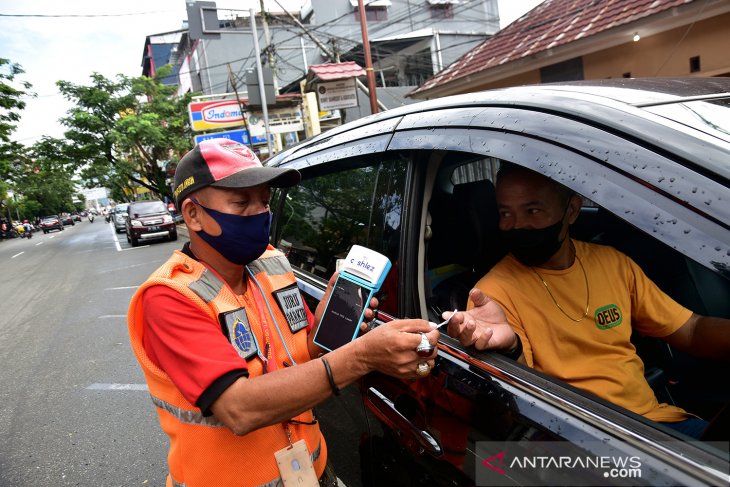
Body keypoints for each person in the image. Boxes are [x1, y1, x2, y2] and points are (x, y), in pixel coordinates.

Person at [127, 138, 440, 487]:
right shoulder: (170, 297)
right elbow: (238, 408)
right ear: (193, 215)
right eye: (241, 201)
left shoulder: (272, 264)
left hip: (314, 470)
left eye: (264, 200)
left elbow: (303, 352)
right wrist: (362, 358)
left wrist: (325, 327)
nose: (259, 213)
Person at [446, 163, 730, 439]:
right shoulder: (490, 297)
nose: (516, 225)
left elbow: (691, 330)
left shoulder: (612, 263)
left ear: (571, 211)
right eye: (505, 213)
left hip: (659, 424)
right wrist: (511, 349)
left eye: (532, 210)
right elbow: (518, 404)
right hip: (586, 441)